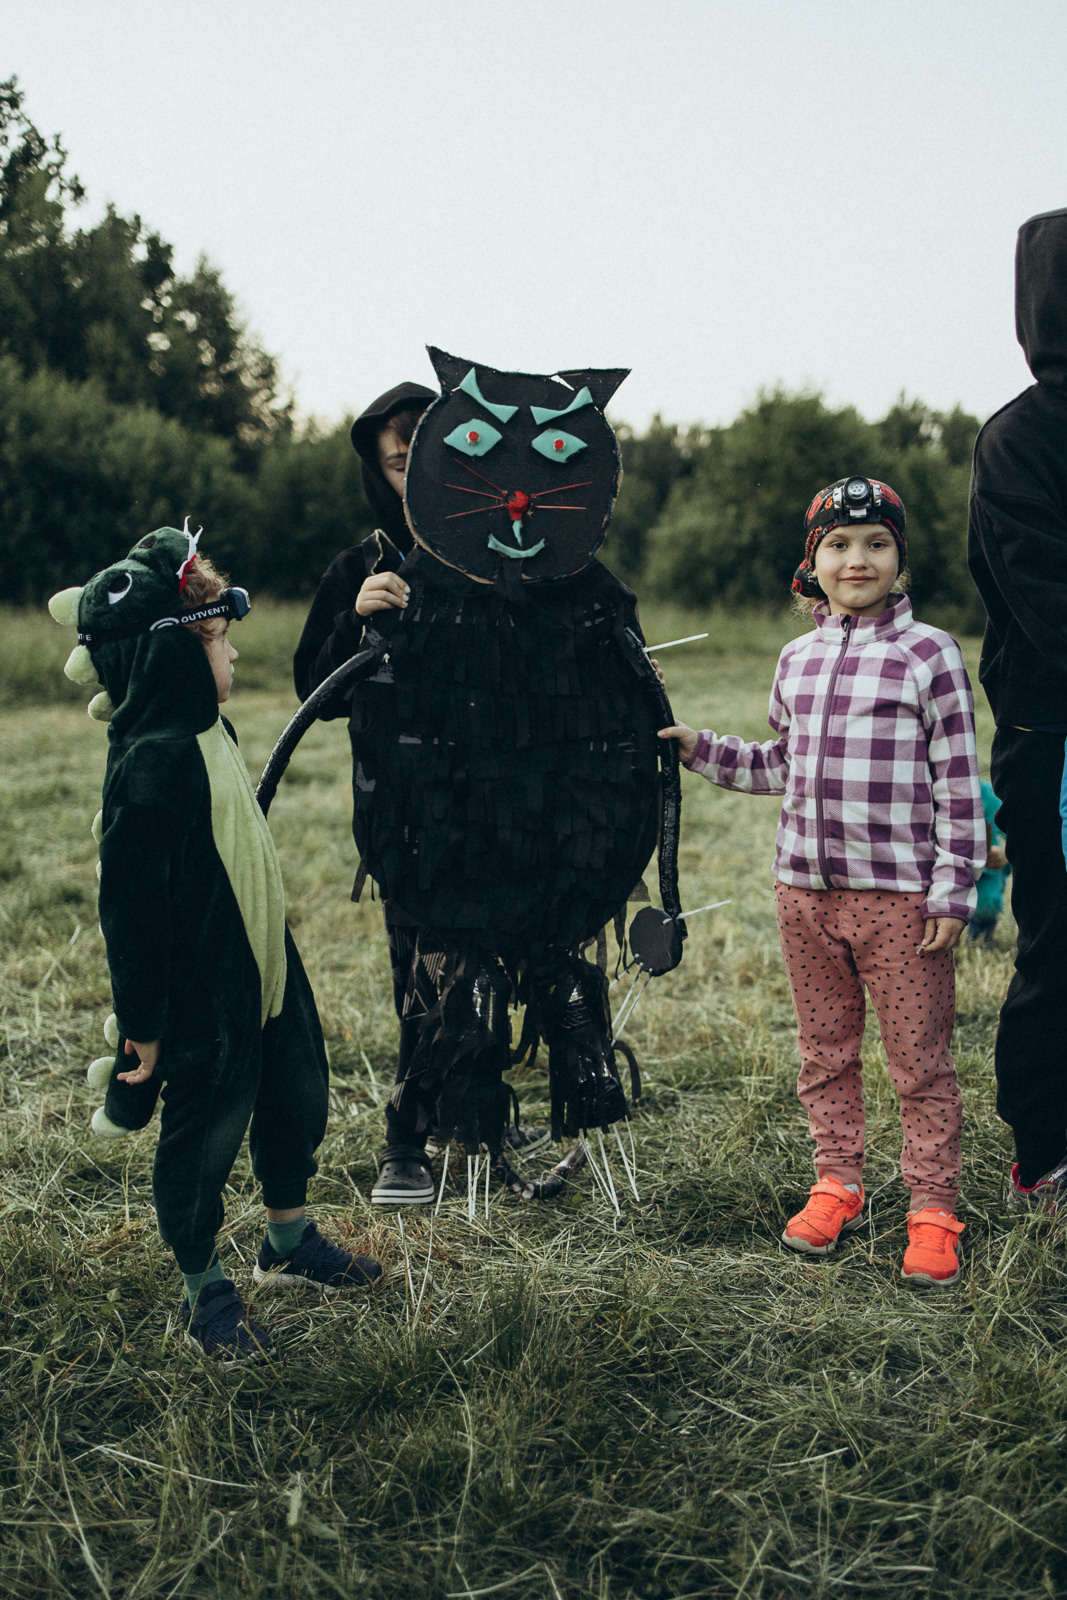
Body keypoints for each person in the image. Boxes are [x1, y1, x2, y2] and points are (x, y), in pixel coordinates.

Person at [50, 527, 381, 1365]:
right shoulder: (149, 766)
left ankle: (287, 1238)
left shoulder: (211, 733)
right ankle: (204, 1286)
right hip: (205, 993)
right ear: (167, 657)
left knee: (296, 1092)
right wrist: (145, 1025)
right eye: (220, 641)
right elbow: (131, 911)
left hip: (264, 964)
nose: (232, 657)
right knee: (202, 1134)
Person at [660, 476, 985, 1286]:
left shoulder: (930, 654)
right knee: (825, 1052)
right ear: (814, 561)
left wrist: (952, 890)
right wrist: (701, 748)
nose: (857, 558)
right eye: (838, 544)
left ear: (899, 560)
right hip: (803, 896)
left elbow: (957, 782)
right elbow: (781, 762)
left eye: (877, 543)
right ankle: (837, 1181)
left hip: (900, 903)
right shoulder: (795, 658)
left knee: (919, 1061)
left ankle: (933, 1206)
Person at [294, 383, 547, 1206]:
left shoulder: (506, 555)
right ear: (381, 471)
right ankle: (405, 1140)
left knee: (493, 959)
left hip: (497, 802)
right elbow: (314, 692)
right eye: (398, 464)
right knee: (425, 975)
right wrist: (357, 623)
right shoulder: (358, 566)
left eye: (428, 457)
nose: (414, 476)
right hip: (405, 813)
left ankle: (477, 1117)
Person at [967, 206, 1067, 1207]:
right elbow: (1043, 601)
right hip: (1052, 733)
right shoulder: (1017, 441)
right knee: (1056, 935)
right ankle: (1043, 1146)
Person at [968, 779, 1009, 943]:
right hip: (938, 863)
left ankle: (982, 927)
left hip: (986, 866)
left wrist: (1005, 855)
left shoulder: (986, 794)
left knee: (986, 902)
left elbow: (1014, 831)